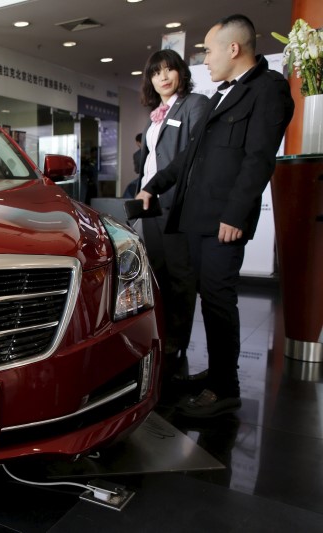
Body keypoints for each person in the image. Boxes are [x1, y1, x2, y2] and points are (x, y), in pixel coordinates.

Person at [136, 14, 294, 418]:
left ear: (233, 48)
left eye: (208, 49)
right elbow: (188, 158)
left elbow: (259, 158)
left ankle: (226, 388)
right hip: (199, 217)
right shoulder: (224, 93)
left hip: (224, 219)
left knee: (220, 300)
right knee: (209, 298)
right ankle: (217, 373)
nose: (205, 58)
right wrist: (152, 186)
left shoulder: (268, 89)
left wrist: (236, 214)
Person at [136, 48, 208, 399]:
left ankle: (177, 343)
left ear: (180, 73)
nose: (163, 77)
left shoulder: (194, 104)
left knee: (181, 277)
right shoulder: (155, 115)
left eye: (169, 70)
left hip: (176, 203)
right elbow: (151, 159)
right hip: (151, 204)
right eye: (156, 73)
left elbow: (191, 157)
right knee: (158, 273)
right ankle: (163, 338)